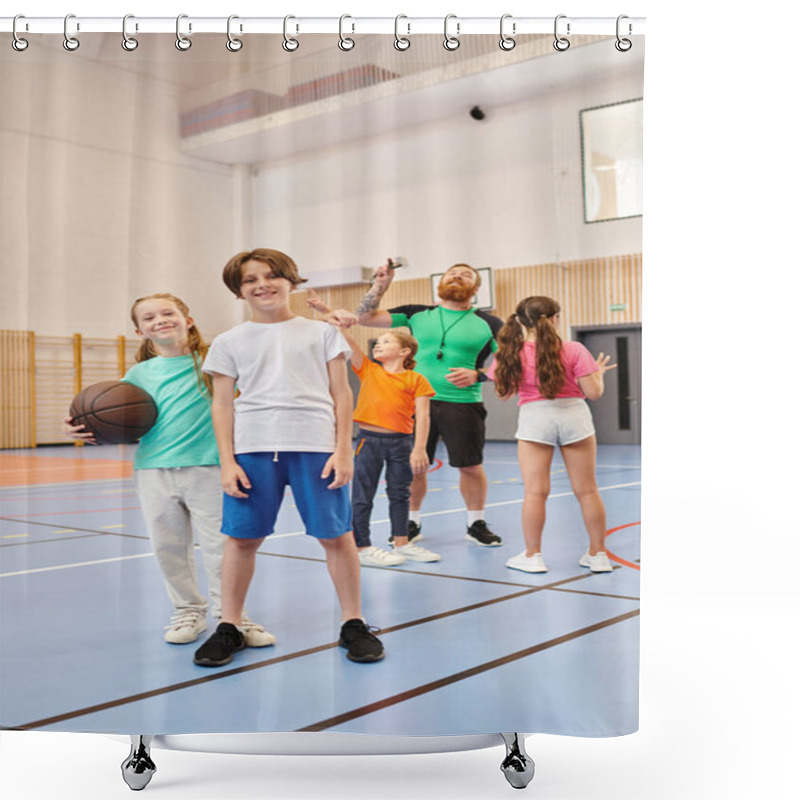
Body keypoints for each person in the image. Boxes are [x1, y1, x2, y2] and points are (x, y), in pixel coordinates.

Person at [192, 248, 384, 667]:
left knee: (336, 536)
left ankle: (353, 622)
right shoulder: (228, 341)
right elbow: (222, 405)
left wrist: (343, 450)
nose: (262, 284)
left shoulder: (322, 333)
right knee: (242, 539)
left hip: (316, 447)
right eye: (250, 280)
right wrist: (227, 462)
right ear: (239, 291)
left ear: (291, 281)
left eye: (272, 275)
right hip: (253, 449)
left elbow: (341, 393)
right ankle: (230, 625)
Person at [63, 293, 273, 648]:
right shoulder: (138, 374)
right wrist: (82, 427)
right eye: (149, 318)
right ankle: (188, 610)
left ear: (187, 319)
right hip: (154, 470)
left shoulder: (213, 359)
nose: (160, 320)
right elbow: (118, 419)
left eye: (168, 313)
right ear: (138, 330)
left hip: (211, 467)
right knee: (168, 548)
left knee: (222, 547)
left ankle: (233, 617)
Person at [327, 262, 504, 548]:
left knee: (470, 466)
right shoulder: (415, 313)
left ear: (476, 288)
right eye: (452, 273)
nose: (457, 276)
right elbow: (364, 316)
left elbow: (513, 362)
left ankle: (476, 523)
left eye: (466, 274)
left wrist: (479, 374)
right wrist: (380, 284)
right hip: (409, 401)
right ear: (440, 282)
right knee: (413, 467)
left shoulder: (490, 323)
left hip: (462, 403)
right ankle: (410, 521)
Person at [306, 291, 440, 566]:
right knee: (363, 495)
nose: (378, 344)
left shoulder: (417, 379)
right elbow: (343, 334)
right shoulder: (367, 369)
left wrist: (419, 449)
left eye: (386, 340)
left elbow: (423, 416)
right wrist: (323, 308)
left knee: (400, 493)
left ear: (405, 352)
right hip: (369, 441)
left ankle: (402, 542)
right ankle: (362, 545)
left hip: (401, 443)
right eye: (378, 342)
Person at [490, 295, 617, 574]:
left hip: (536, 418)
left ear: (521, 322)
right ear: (556, 318)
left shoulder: (510, 352)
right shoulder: (574, 349)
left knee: (535, 492)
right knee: (587, 490)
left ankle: (533, 556)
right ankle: (598, 555)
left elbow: (503, 394)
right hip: (574, 416)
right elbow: (594, 392)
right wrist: (598, 374)